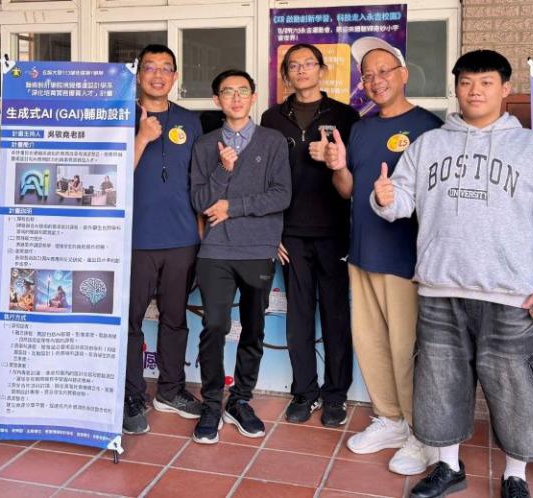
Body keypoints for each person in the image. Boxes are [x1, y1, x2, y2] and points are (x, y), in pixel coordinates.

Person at [370, 49, 533, 498]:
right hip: (439, 288)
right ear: (456, 89)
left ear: (505, 89)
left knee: (516, 388)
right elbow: (401, 202)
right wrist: (386, 198)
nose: (475, 91)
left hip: (510, 293)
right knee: (440, 383)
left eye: (485, 82)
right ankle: (448, 466)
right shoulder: (429, 145)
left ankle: (515, 475)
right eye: (466, 82)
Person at [324, 38, 443, 475]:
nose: (375, 81)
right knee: (371, 344)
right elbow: (348, 191)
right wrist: (338, 166)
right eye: (368, 75)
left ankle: (421, 432)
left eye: (383, 72)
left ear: (404, 75)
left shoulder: (430, 128)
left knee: (406, 349)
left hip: (406, 259)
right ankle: (390, 419)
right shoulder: (361, 128)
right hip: (362, 253)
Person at [260, 43, 360, 427]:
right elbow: (264, 178)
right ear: (285, 74)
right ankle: (304, 392)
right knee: (298, 317)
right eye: (294, 65)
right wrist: (273, 229)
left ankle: (335, 395)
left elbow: (355, 175)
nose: (301, 70)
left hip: (334, 232)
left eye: (308, 64)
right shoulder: (272, 118)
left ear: (321, 70)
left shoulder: (345, 116)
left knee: (335, 316)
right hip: (291, 235)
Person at [190, 69, 292, 444]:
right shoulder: (205, 145)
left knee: (254, 327)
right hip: (216, 250)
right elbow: (200, 201)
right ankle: (211, 404)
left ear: (253, 97)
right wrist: (223, 169)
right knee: (215, 325)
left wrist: (233, 207)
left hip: (257, 249)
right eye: (228, 92)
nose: (235, 98)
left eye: (243, 91)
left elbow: (281, 195)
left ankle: (240, 400)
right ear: (216, 100)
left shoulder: (273, 141)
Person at [123, 44, 203, 435]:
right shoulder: (120, 116)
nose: (158, 75)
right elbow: (108, 177)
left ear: (175, 77)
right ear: (138, 75)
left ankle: (170, 390)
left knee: (175, 319)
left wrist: (201, 233)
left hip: (182, 238)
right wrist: (141, 138)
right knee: (130, 321)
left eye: (165, 68)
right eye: (150, 67)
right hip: (133, 240)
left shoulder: (190, 121)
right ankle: (130, 395)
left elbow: (199, 180)